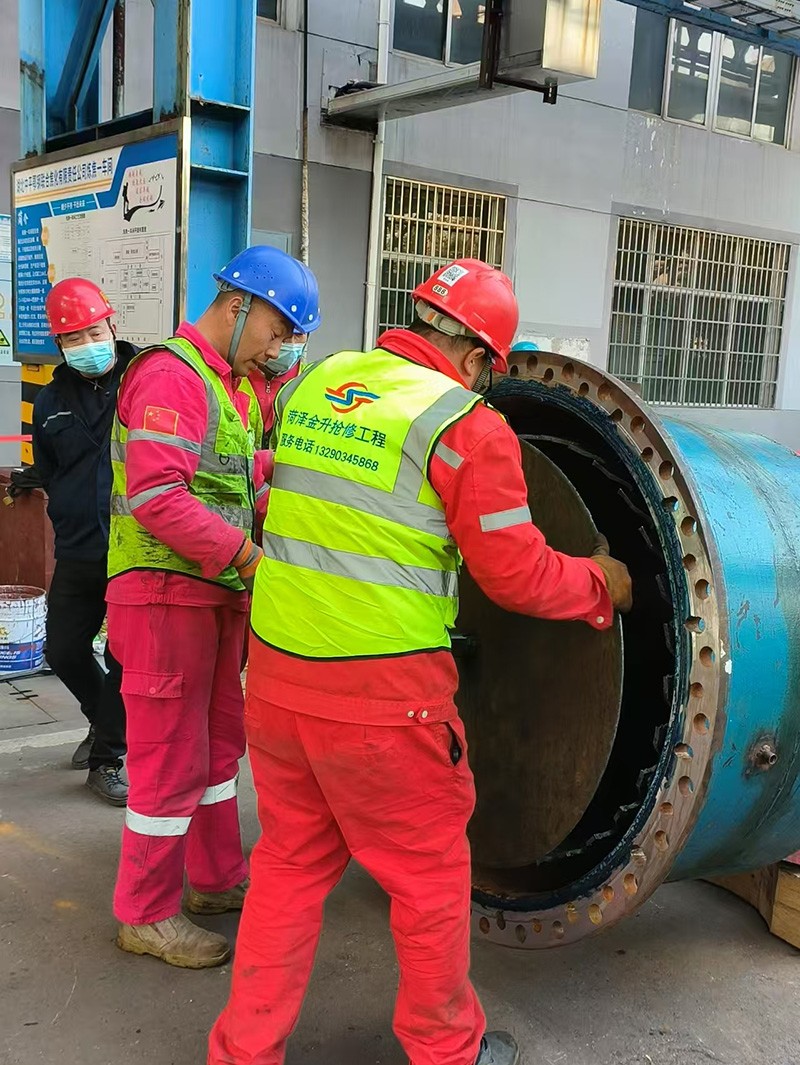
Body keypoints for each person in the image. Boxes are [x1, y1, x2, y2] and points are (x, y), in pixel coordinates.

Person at [208, 258, 633, 1065]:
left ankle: (242, 1052)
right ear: (475, 357)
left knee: (288, 871)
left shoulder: (320, 382)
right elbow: (516, 574)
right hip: (385, 703)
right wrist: (599, 584)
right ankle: (447, 1050)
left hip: (278, 682)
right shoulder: (464, 425)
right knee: (428, 882)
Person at [106, 245, 321, 969]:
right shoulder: (173, 374)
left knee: (218, 749)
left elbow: (230, 479)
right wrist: (250, 559)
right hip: (164, 595)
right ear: (237, 306)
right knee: (169, 760)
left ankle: (216, 878)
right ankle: (145, 914)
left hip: (211, 595)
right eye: (278, 330)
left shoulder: (231, 387)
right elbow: (158, 496)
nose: (280, 348)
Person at [32, 278, 133, 806]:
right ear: (61, 345)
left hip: (135, 545)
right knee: (63, 649)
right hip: (78, 547)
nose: (87, 345)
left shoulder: (144, 380)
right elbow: (48, 468)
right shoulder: (49, 401)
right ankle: (101, 719)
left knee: (123, 657)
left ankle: (107, 759)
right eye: (74, 339)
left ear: (112, 326)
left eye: (94, 332)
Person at [239, 332, 308, 448]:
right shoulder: (231, 375)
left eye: (299, 334)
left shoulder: (311, 384)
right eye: (282, 332)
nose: (291, 343)